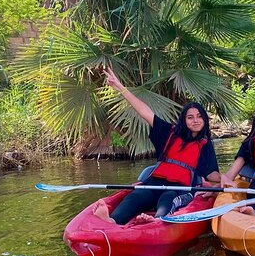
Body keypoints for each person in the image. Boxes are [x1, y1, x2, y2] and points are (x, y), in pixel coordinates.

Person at [93, 67, 221, 224]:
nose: (195, 120)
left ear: (205, 120)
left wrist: (225, 179)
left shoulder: (205, 144)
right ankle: (112, 221)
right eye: (190, 117)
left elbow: (211, 174)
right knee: (137, 195)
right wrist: (121, 87)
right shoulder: (170, 133)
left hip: (180, 188)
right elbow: (145, 112)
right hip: (154, 183)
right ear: (184, 121)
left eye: (199, 116)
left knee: (168, 197)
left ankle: (157, 221)